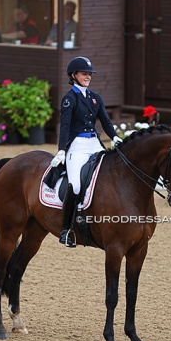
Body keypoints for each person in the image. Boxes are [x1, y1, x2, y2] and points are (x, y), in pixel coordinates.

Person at [50, 56, 123, 248]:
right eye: (84, 74)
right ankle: (66, 230)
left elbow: (105, 121)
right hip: (77, 146)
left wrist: (115, 137)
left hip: (94, 143)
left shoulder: (95, 97)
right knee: (74, 185)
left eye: (89, 74)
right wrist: (61, 150)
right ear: (73, 75)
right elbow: (64, 126)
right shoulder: (69, 99)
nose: (88, 76)